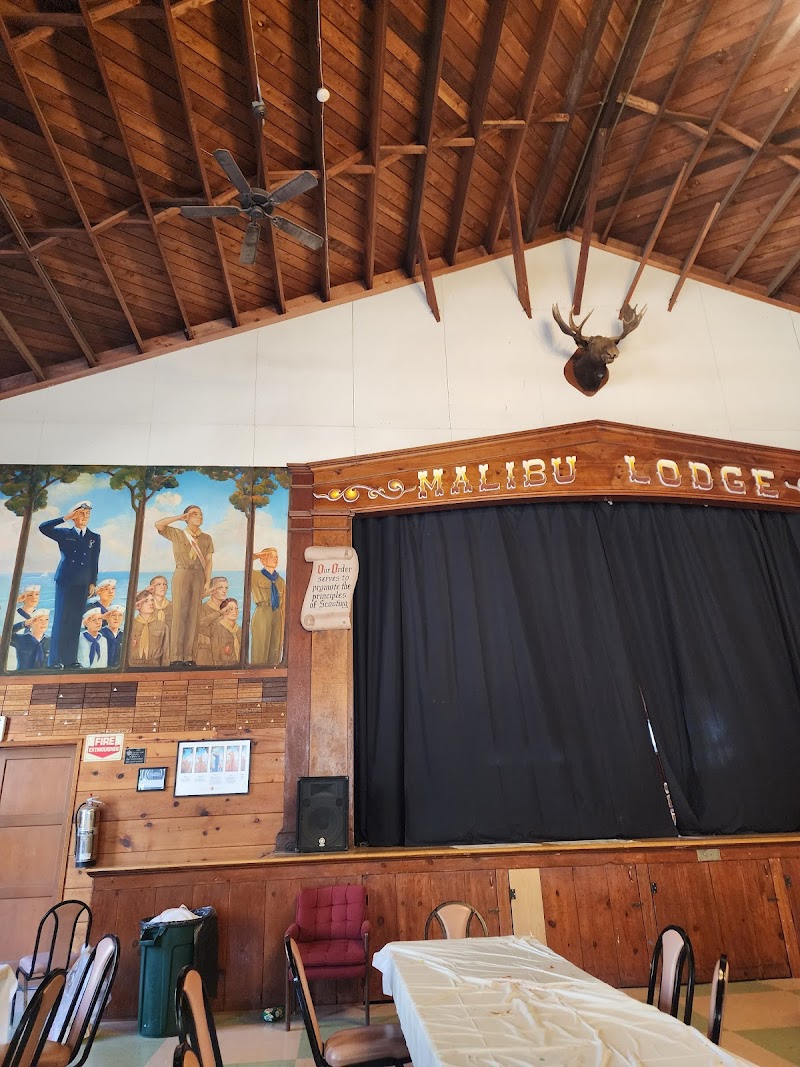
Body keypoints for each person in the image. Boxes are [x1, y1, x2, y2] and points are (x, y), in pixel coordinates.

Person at [39, 500, 101, 668]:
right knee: (61, 620)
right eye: (81, 513)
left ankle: (70, 660)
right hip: (65, 581)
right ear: (74, 515)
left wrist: (92, 582)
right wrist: (64, 518)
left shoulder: (94, 537)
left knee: (74, 622)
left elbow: (94, 562)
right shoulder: (64, 533)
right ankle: (55, 661)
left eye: (87, 514)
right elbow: (43, 528)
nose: (85, 517)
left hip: (82, 583)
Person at [155, 505, 214, 667]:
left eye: (201, 514)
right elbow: (159, 525)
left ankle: (189, 656)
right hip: (181, 573)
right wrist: (179, 518)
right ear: (187, 517)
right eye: (195, 514)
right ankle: (176, 657)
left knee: (194, 616)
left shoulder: (206, 538)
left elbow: (208, 561)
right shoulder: (178, 534)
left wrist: (207, 581)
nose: (199, 517)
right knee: (179, 615)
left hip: (198, 575)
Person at [250, 547, 285, 667]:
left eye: (277, 557)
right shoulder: (255, 576)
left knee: (275, 651)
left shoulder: (280, 580)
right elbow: (246, 563)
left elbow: (283, 604)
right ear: (263, 560)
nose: (275, 559)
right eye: (271, 556)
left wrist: (283, 624)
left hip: (277, 614)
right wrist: (258, 555)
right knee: (259, 651)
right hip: (262, 612)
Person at [129, 588, 170, 667]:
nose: (151, 603)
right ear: (138, 605)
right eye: (146, 601)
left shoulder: (162, 626)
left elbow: (165, 654)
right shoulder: (131, 626)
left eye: (152, 600)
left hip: (154, 666)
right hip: (133, 665)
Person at [198, 597, 242, 666]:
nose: (234, 611)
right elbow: (199, 625)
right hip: (220, 667)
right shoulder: (215, 627)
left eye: (236, 608)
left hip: (238, 667)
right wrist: (220, 612)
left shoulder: (239, 630)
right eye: (230, 609)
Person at [195, 576, 229, 666]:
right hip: (205, 655)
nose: (224, 591)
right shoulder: (202, 608)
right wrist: (219, 613)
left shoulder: (228, 609)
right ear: (212, 590)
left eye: (226, 588)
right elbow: (200, 625)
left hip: (223, 655)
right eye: (220, 588)